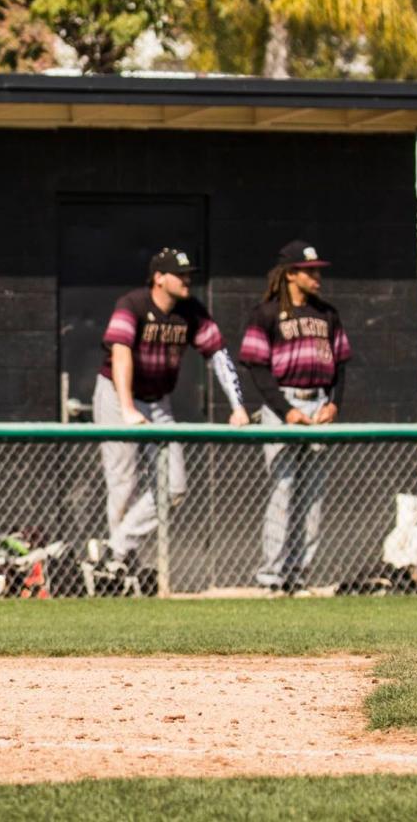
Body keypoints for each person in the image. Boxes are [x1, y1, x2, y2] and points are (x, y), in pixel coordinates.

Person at [83, 248, 248, 595]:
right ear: (159, 277)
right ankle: (117, 570)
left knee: (174, 485)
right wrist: (128, 408)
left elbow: (218, 353)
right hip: (116, 392)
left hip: (158, 399)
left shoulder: (190, 311)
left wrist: (238, 405)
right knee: (123, 481)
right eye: (180, 274)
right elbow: (120, 354)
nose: (187, 280)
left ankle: (115, 549)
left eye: (189, 274)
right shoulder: (133, 303)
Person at [240, 240, 351, 595]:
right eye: (310, 271)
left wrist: (334, 404)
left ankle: (298, 576)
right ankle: (272, 578)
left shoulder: (327, 314)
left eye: (318, 270)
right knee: (284, 490)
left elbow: (341, 366)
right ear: (290, 274)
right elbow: (257, 368)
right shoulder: (267, 313)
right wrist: (284, 410)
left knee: (313, 495)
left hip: (318, 403)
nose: (317, 276)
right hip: (283, 403)